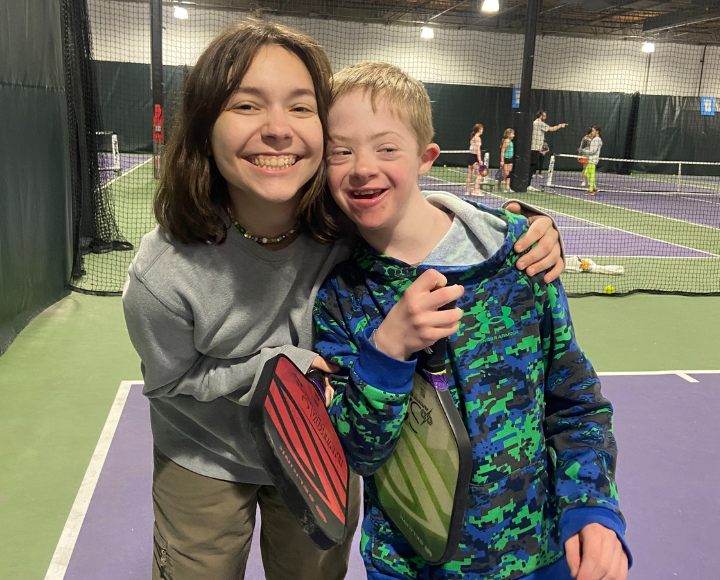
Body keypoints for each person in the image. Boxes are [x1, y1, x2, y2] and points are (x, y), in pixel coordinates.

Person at [121, 21, 564, 580]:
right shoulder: (162, 276)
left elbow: (413, 213)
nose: (277, 129)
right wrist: (284, 371)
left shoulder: (344, 222)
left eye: (301, 107)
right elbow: (168, 381)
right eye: (246, 105)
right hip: (206, 455)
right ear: (206, 127)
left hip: (322, 452)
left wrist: (516, 225)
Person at [315, 62, 631, 580]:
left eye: (386, 147)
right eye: (340, 151)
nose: (361, 167)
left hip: (540, 555)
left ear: (426, 157)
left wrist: (593, 508)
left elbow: (575, 402)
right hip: (412, 566)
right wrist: (387, 352)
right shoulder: (342, 297)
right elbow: (358, 453)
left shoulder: (522, 254)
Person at [529, 110, 567, 191]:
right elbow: (551, 129)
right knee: (532, 166)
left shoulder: (535, 123)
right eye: (544, 116)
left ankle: (527, 184)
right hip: (534, 148)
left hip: (536, 148)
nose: (545, 117)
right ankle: (527, 184)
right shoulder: (539, 123)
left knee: (532, 166)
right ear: (540, 116)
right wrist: (560, 125)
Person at [582, 126, 603, 195]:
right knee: (586, 173)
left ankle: (591, 190)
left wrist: (584, 150)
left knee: (591, 175)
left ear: (597, 132)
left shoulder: (597, 139)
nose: (592, 132)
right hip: (591, 159)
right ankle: (594, 188)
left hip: (593, 159)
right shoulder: (595, 139)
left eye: (593, 131)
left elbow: (593, 151)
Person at [465, 124, 483, 196]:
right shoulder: (477, 138)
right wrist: (480, 159)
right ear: (479, 129)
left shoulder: (472, 138)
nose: (482, 130)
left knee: (470, 175)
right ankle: (476, 190)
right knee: (479, 174)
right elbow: (478, 149)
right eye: (481, 129)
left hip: (470, 156)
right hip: (475, 157)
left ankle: (468, 191)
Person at [498, 128, 514, 192]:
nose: (513, 135)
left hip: (510, 159)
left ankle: (507, 187)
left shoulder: (511, 142)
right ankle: (499, 181)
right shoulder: (506, 141)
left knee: (509, 173)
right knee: (506, 173)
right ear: (508, 134)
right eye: (512, 134)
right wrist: (502, 161)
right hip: (506, 159)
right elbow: (502, 151)